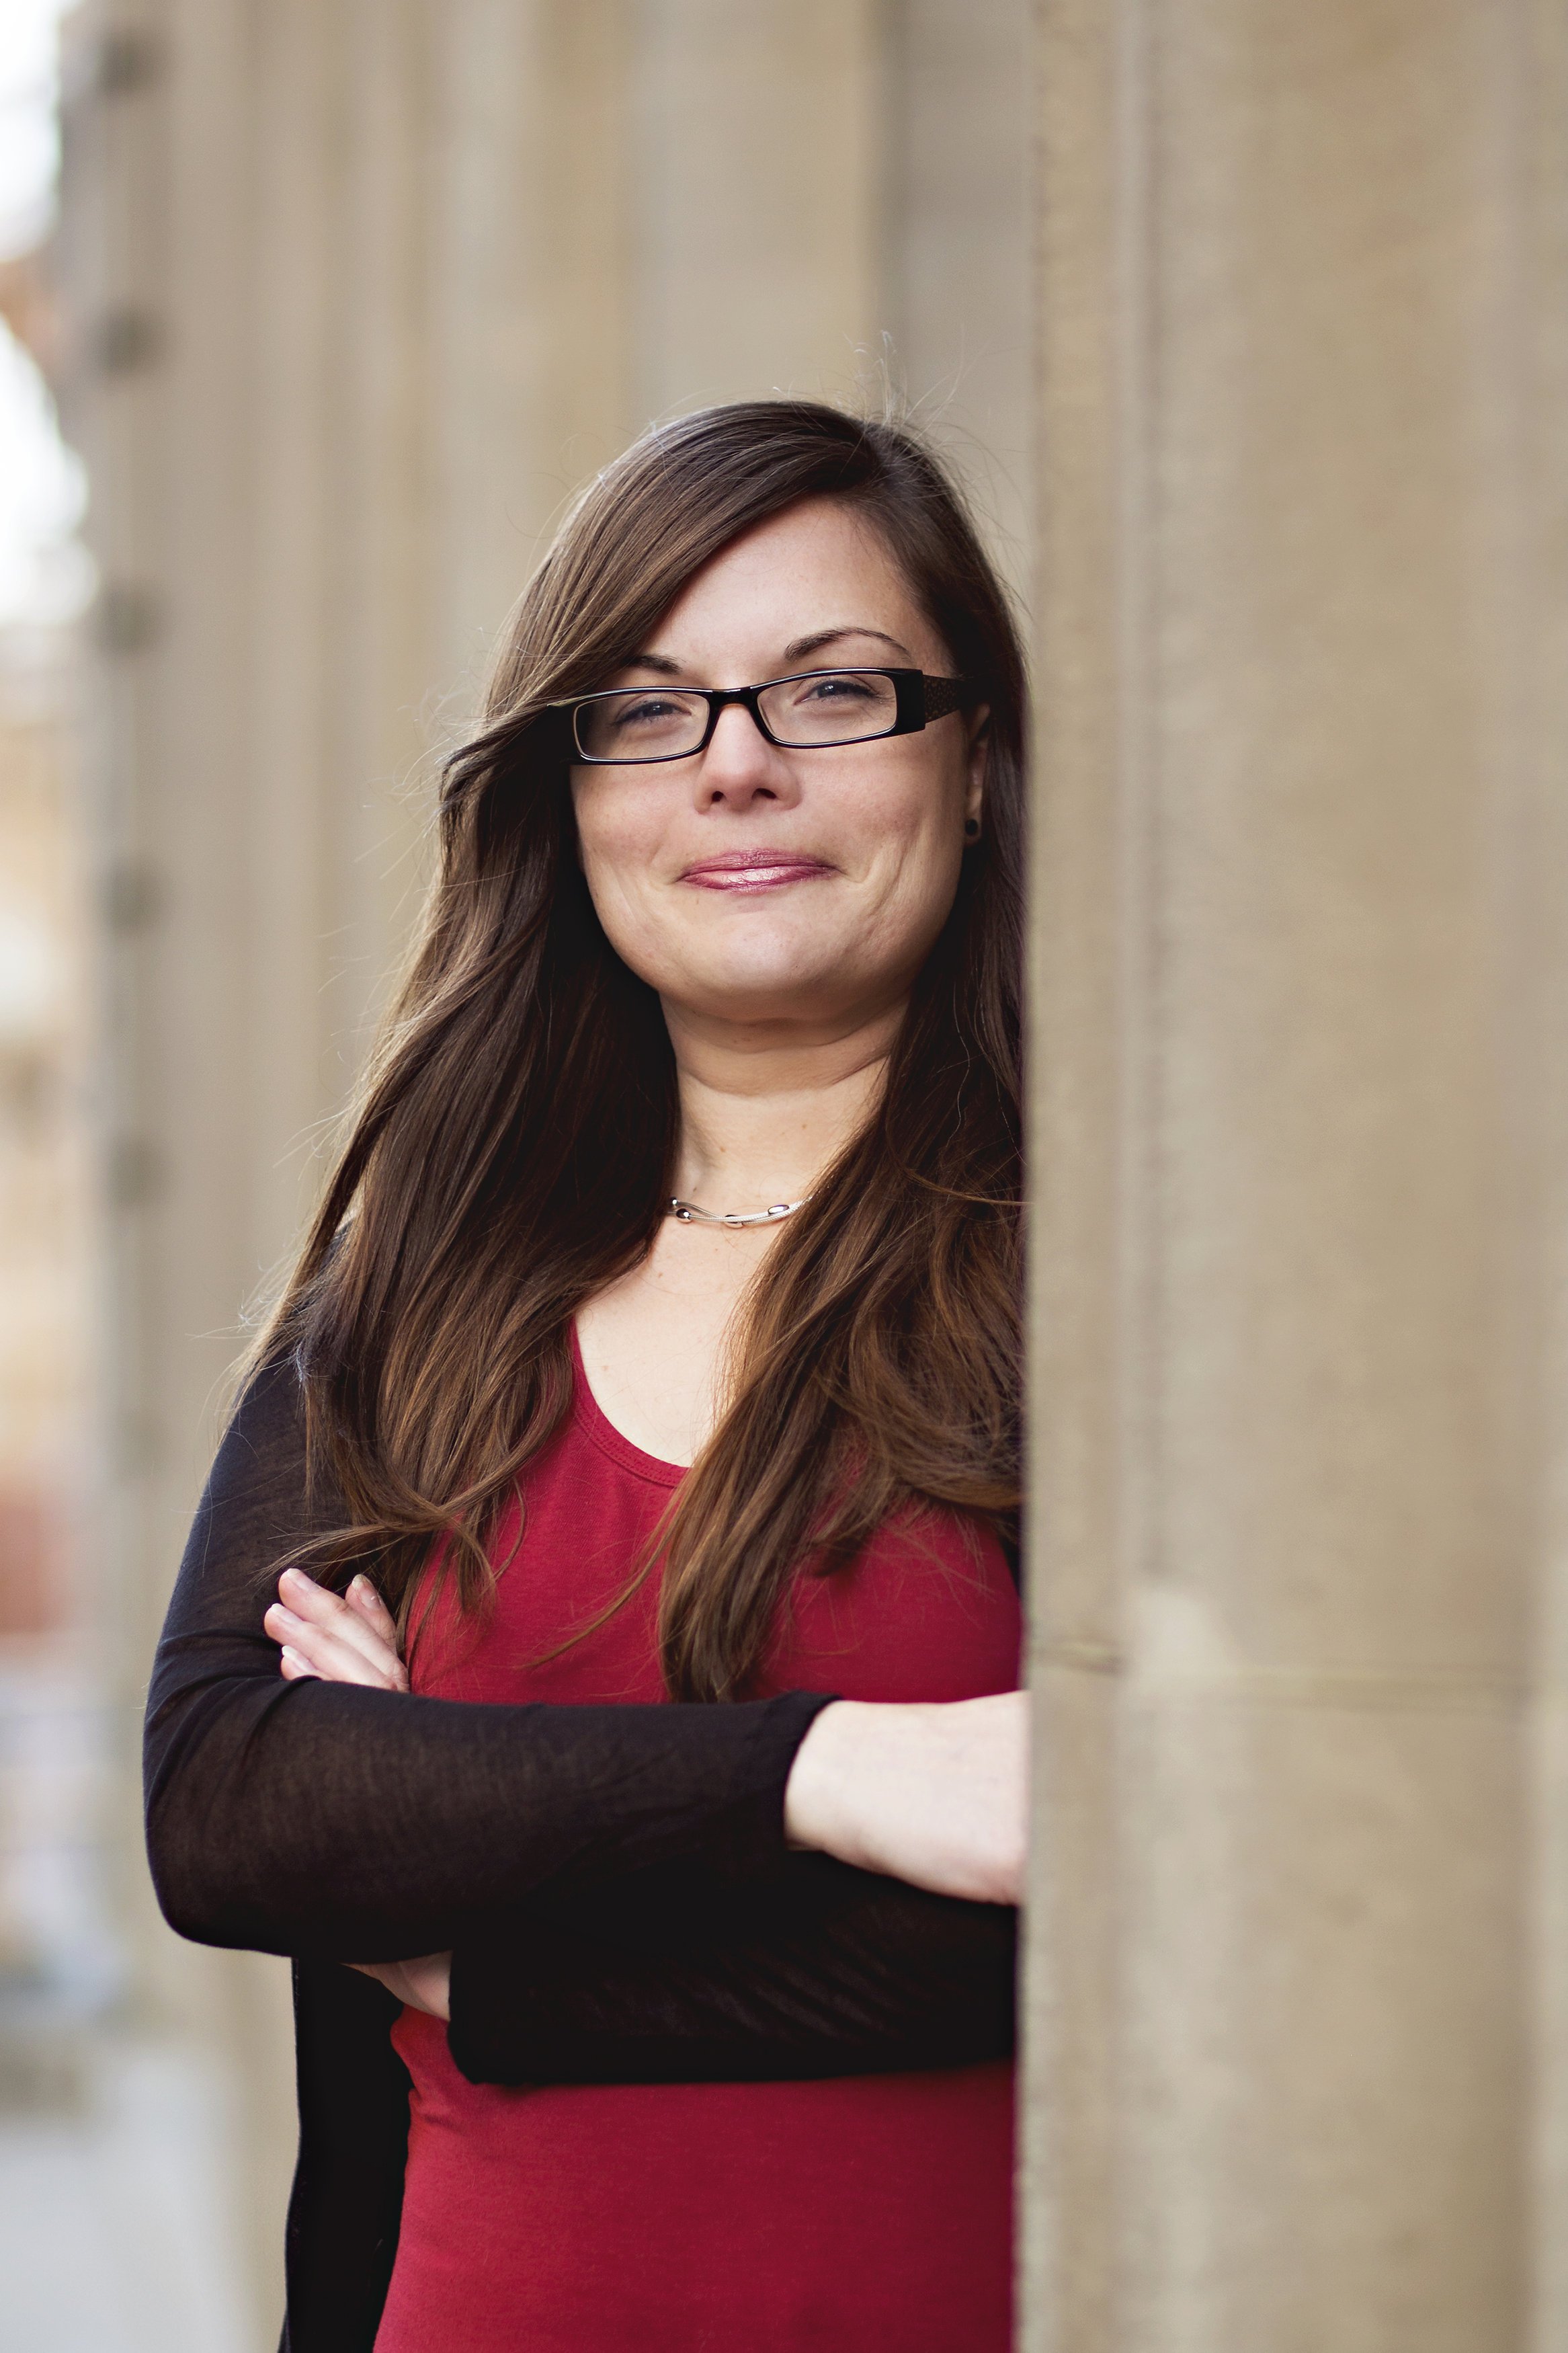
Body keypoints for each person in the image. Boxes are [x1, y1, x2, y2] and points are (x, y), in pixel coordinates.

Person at [144, 399, 1029, 2353]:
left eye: (835, 691)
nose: (734, 766)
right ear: (566, 794)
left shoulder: (1101, 1288)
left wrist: (467, 1939)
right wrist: (843, 1770)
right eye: (646, 707)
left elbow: (1056, 1942)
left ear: (976, 762)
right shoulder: (429, 1296)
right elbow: (235, 1807)